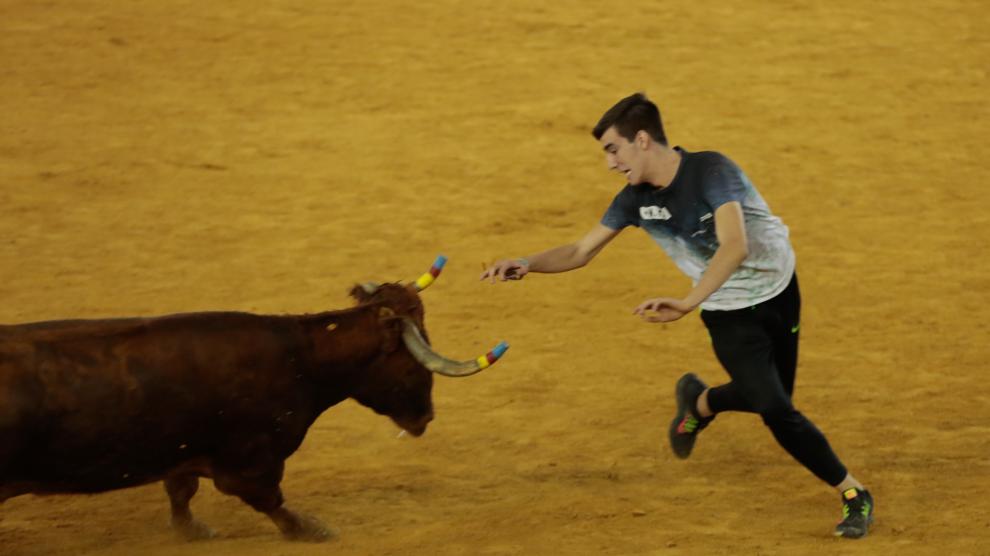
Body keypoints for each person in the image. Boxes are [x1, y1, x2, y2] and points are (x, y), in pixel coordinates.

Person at [479, 93, 874, 539]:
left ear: (642, 140)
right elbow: (579, 251)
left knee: (771, 393)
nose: (610, 163)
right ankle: (852, 491)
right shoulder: (633, 201)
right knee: (776, 408)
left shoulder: (712, 171)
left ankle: (700, 402)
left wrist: (686, 300)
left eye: (613, 149)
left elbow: (735, 244)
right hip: (728, 311)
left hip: (782, 291)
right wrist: (526, 263)